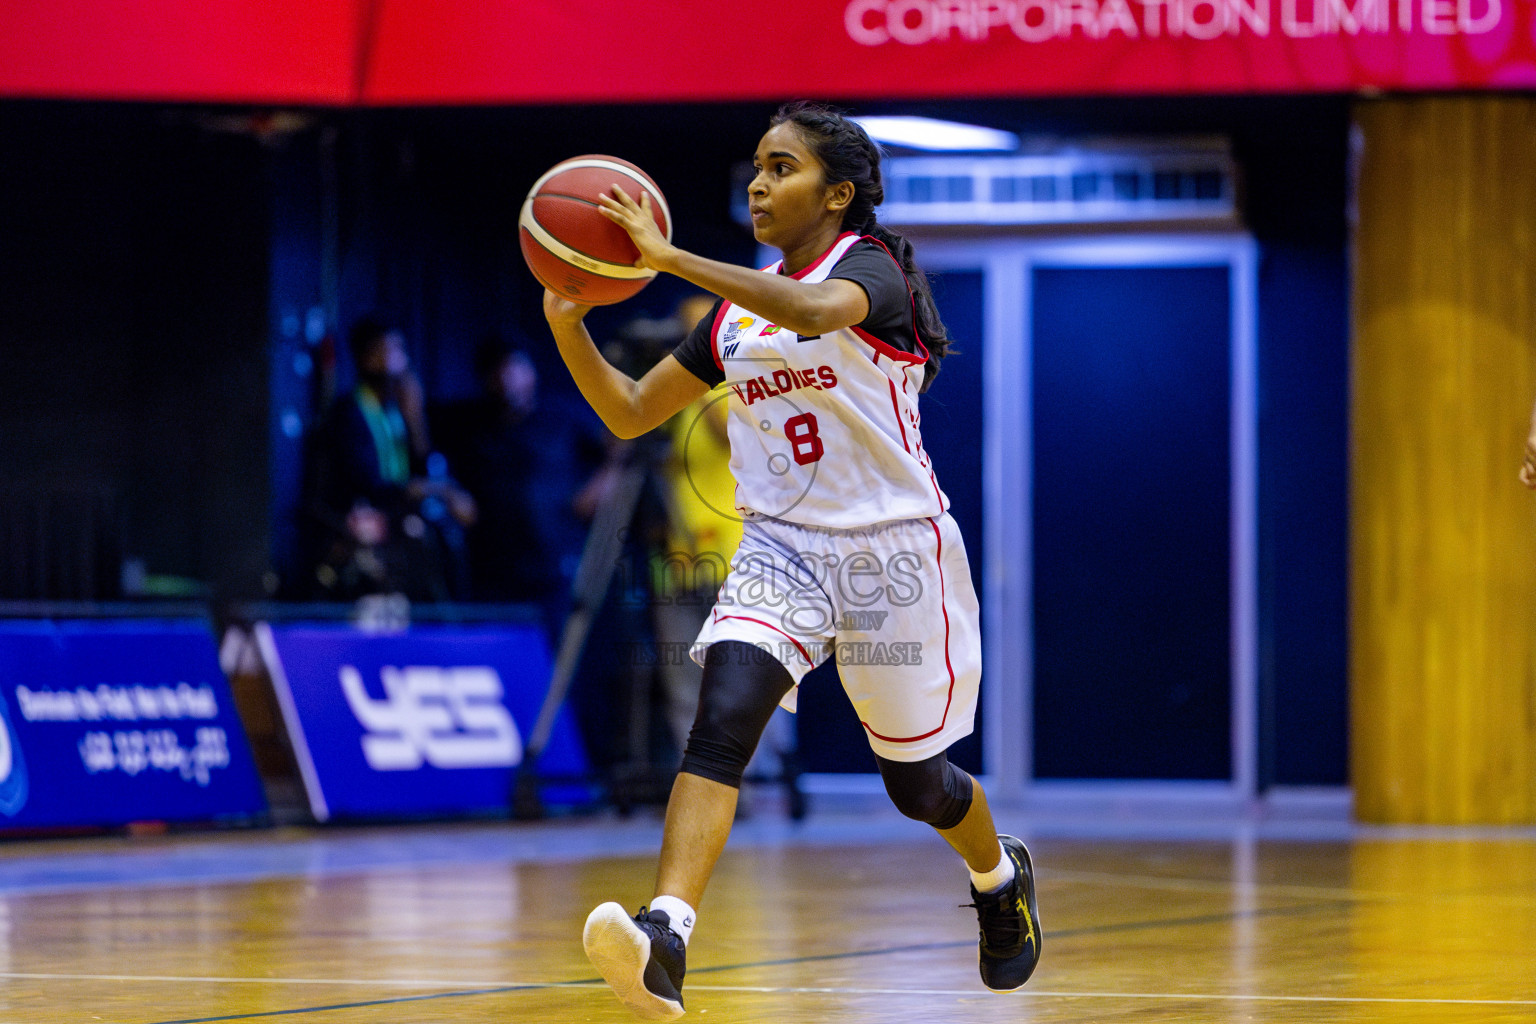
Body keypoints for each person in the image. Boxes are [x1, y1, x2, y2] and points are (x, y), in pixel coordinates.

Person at [542, 103, 1041, 1019]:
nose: (759, 185)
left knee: (916, 784)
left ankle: (997, 873)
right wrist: (568, 320)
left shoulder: (873, 270)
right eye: (756, 169)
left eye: (782, 169)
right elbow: (628, 411)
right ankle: (666, 936)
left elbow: (812, 309)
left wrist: (666, 258)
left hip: (894, 553)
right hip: (782, 546)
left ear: (837, 193)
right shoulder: (734, 313)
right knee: (724, 715)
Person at [309, 316, 477, 602]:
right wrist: (437, 489)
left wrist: (415, 419)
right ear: (367, 357)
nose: (401, 359)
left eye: (401, 350)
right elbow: (370, 485)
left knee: (448, 532)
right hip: (359, 523)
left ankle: (454, 625)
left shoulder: (398, 410)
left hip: (398, 518)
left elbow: (423, 464)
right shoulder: (348, 412)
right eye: (391, 350)